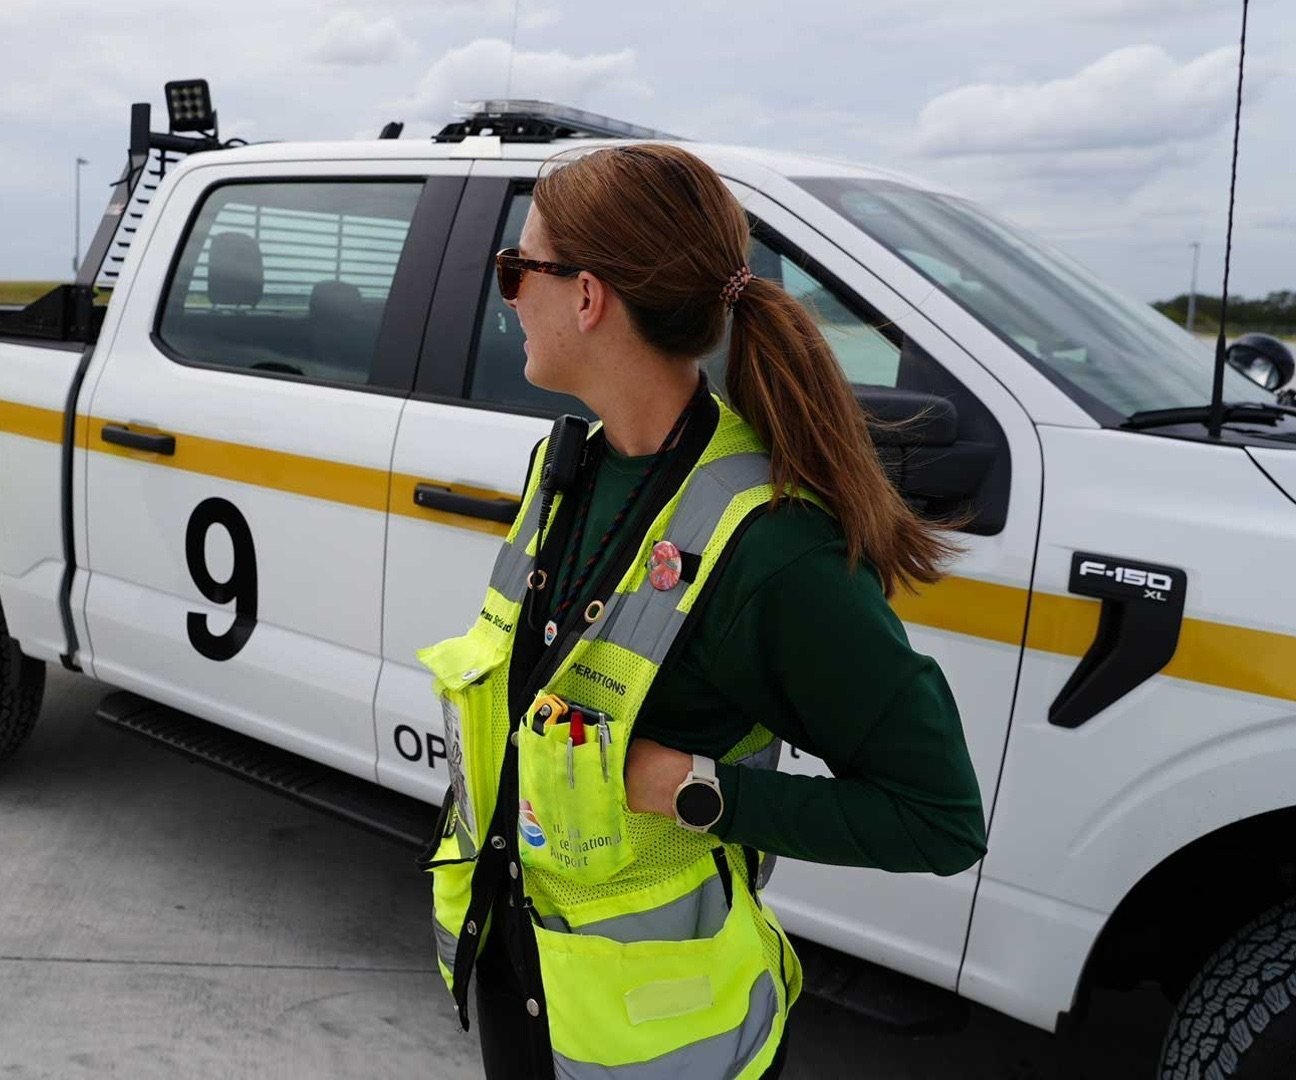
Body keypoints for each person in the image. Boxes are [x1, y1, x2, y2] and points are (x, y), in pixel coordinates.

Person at [418, 145, 988, 1078]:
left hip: (662, 1046)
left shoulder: (773, 548)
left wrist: (689, 786)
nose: (508, 295)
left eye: (517, 269)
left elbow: (939, 818)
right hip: (531, 989)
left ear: (587, 296)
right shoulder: (567, 468)